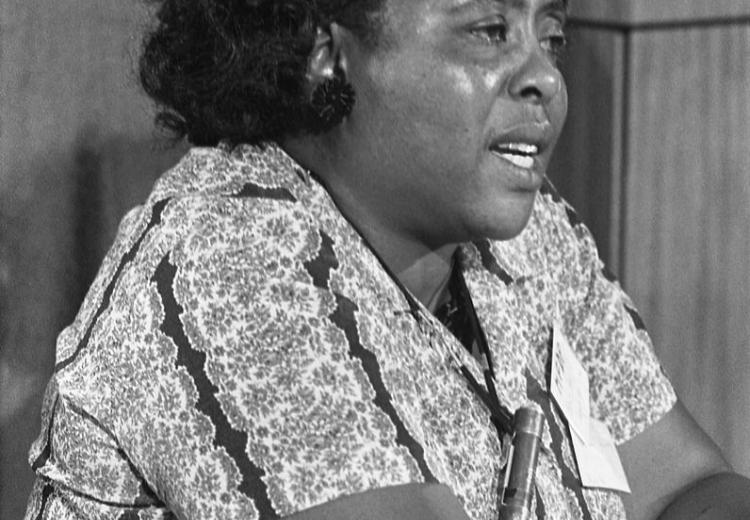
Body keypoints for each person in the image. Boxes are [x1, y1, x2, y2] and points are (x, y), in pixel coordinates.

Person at [23, 0, 750, 518]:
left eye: (551, 35)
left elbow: (683, 487)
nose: (546, 79)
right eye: (490, 31)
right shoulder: (228, 263)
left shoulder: (533, 238)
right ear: (324, 50)